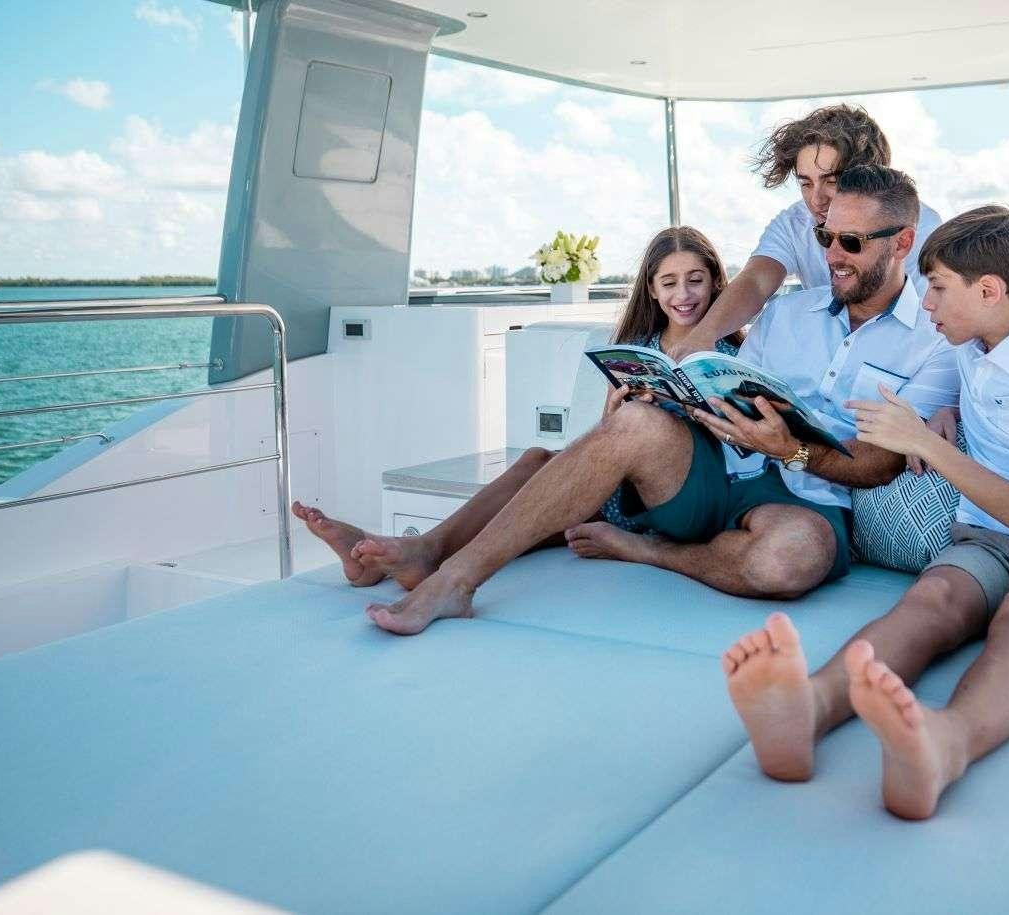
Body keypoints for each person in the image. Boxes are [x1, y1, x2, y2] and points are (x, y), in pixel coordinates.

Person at [361, 165, 959, 635]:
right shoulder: (785, 315)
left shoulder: (933, 344)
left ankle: (647, 550)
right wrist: (673, 395)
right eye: (825, 238)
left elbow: (878, 465)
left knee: (790, 562)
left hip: (809, 499)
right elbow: (722, 380)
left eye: (849, 242)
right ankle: (455, 579)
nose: (831, 256)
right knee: (637, 423)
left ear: (902, 242)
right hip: (720, 467)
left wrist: (790, 448)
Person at [718, 205, 1009, 820]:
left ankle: (947, 744)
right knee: (930, 601)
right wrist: (943, 416)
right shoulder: (968, 350)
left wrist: (924, 442)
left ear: (990, 291)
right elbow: (960, 409)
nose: (926, 304)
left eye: (938, 289)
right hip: (987, 536)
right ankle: (807, 708)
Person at [291, 226, 743, 588]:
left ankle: (423, 552)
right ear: (651, 290)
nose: (683, 294)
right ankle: (404, 556)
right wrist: (612, 417)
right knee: (535, 460)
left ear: (716, 283)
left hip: (678, 495)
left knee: (544, 481)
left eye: (695, 280)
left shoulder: (729, 353)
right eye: (669, 282)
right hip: (621, 493)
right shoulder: (638, 347)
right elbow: (612, 442)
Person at [664, 103, 943, 361]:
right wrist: (703, 335)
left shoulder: (920, 228)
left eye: (831, 181)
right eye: (806, 183)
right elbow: (756, 281)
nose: (816, 200)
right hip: (827, 356)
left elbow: (934, 325)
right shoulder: (794, 222)